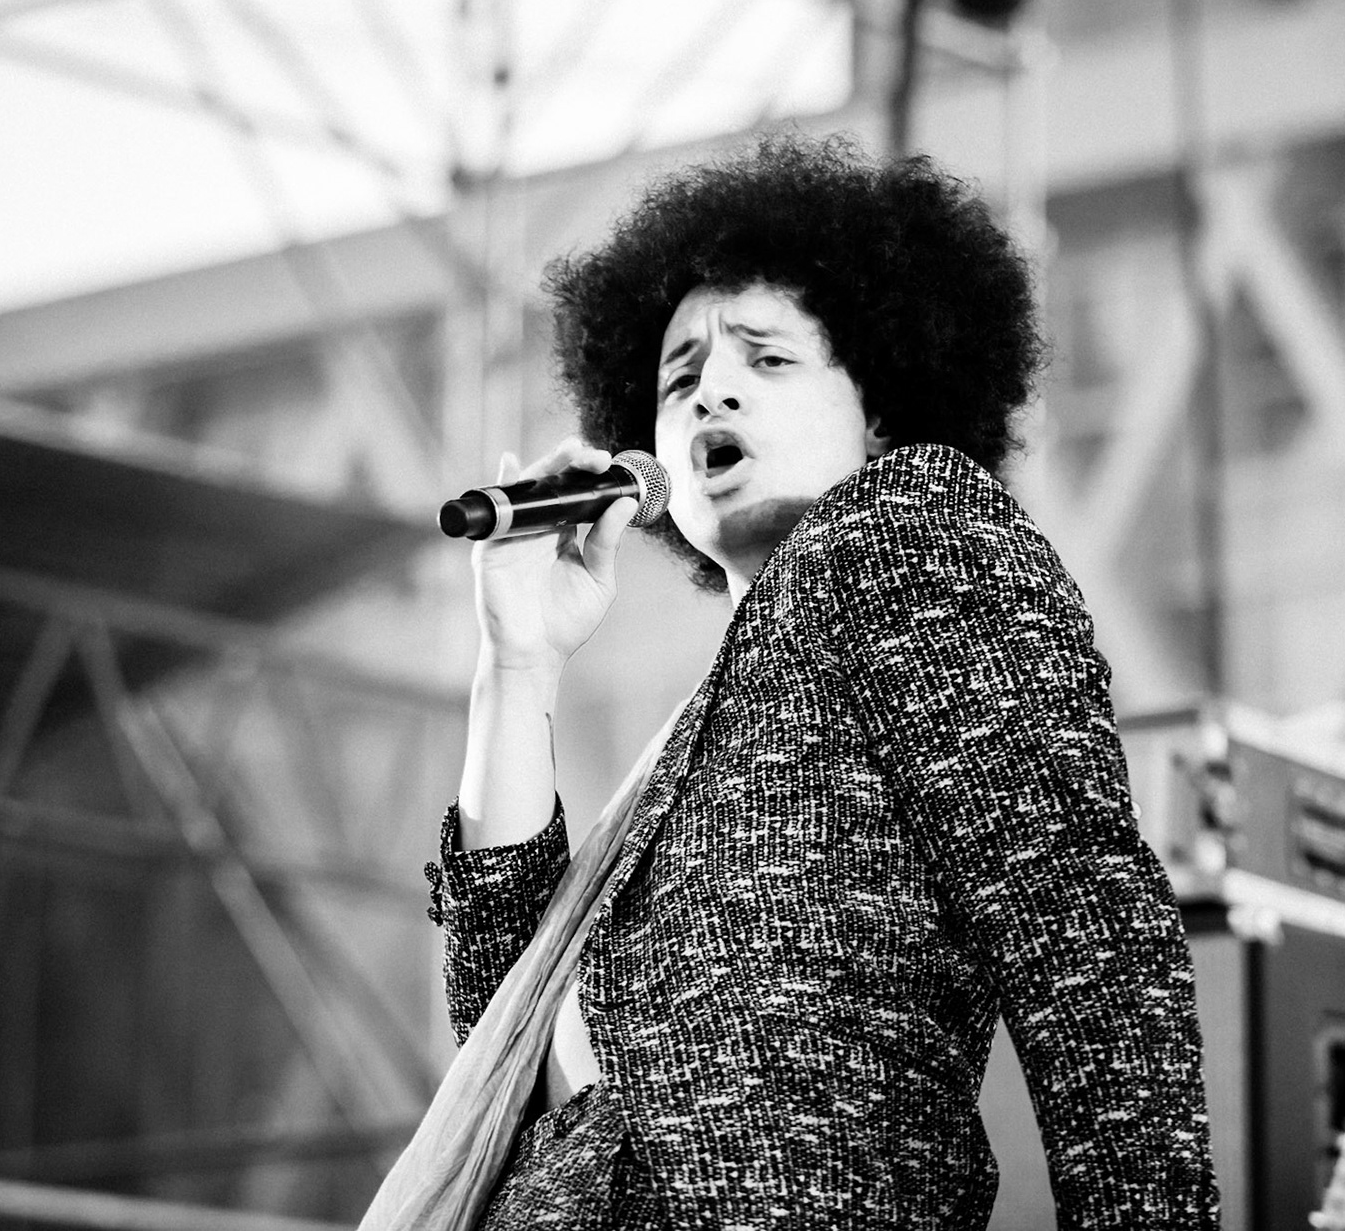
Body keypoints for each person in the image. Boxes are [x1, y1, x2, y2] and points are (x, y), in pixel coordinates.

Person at [424, 134, 1218, 1229]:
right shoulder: (693, 748)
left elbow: (1082, 931)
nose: (714, 395)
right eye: (681, 375)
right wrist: (517, 664)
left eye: (769, 358)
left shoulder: (907, 528)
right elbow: (501, 1051)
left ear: (880, 407)